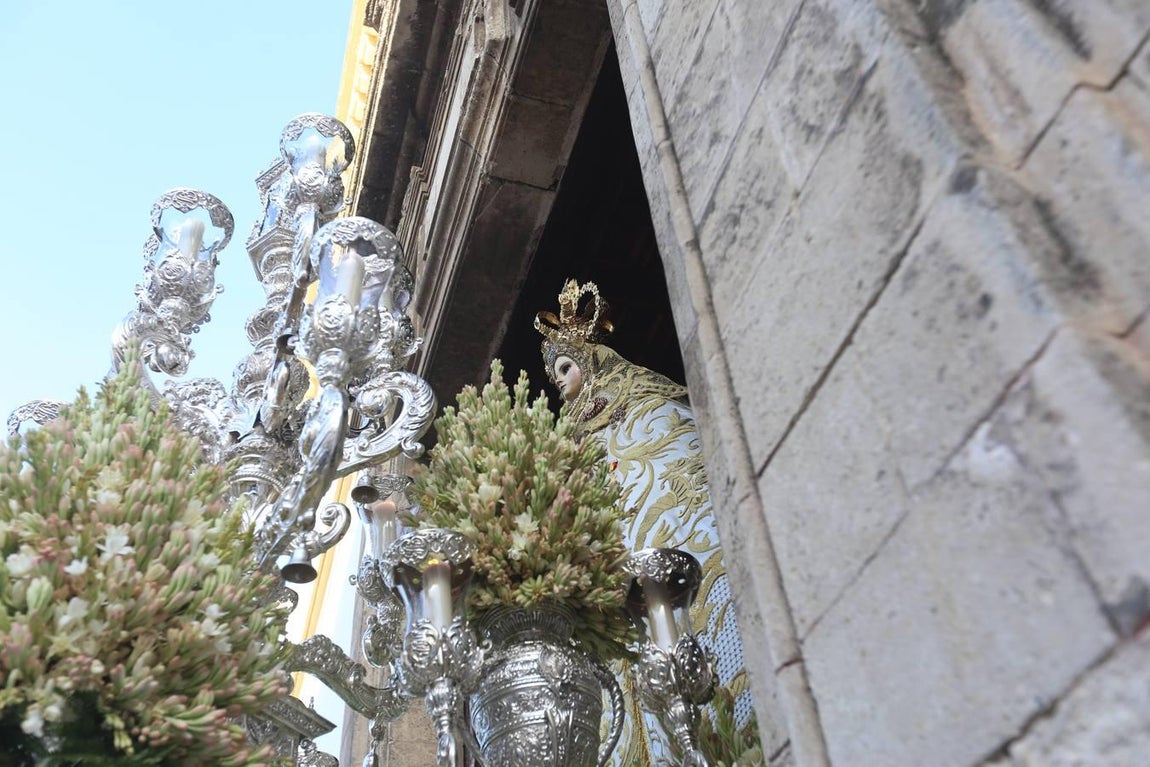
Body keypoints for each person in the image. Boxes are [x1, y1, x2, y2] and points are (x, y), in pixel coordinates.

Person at [536, 279, 752, 765]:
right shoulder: (566, 444)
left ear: (590, 359)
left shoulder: (643, 401)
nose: (562, 382)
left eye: (566, 366)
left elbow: (679, 452)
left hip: (672, 545)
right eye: (555, 378)